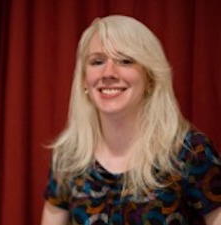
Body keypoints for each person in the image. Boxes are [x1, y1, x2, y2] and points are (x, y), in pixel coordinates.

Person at [41, 15, 221, 225]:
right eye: (97, 62)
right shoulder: (68, 156)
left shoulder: (191, 152)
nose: (108, 73)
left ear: (150, 78)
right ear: (83, 79)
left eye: (125, 60)